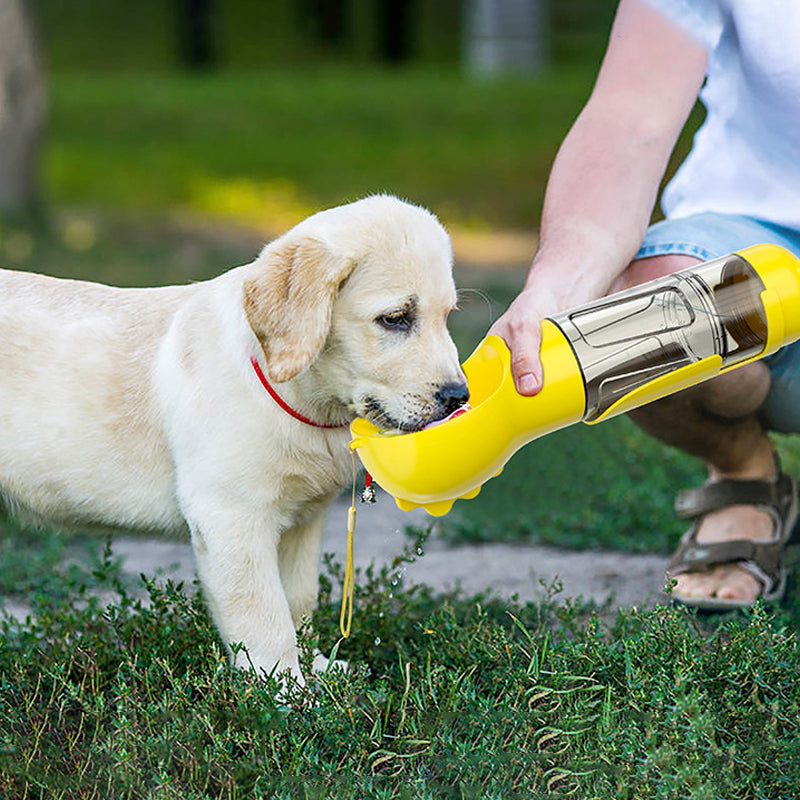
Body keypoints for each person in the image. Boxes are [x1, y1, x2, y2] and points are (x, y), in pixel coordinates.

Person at [490, 0, 800, 610]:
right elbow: (629, 116)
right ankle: (743, 476)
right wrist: (558, 285)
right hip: (759, 235)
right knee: (639, 315)